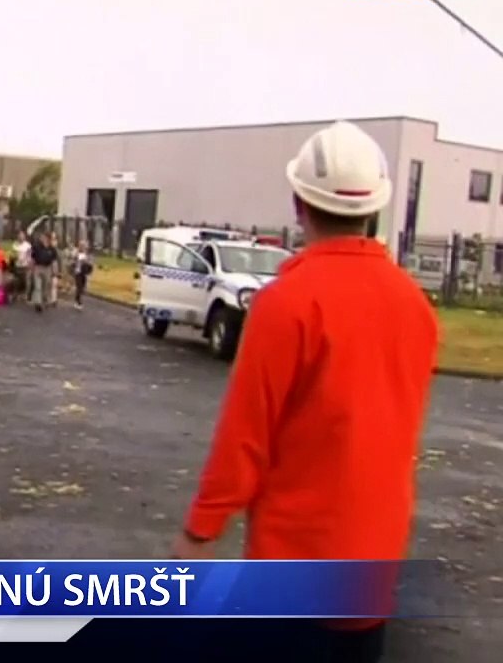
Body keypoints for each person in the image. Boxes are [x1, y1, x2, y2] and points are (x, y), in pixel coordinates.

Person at [171, 122, 438, 661]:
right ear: (374, 208)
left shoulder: (286, 304)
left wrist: (197, 539)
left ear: (299, 204)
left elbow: (245, 439)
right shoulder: (416, 308)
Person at [29, 232, 60, 312]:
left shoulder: (52, 249)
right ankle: (38, 303)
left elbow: (54, 261)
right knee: (37, 286)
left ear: (48, 239)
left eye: (44, 237)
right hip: (38, 267)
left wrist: (55, 271)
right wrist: (31, 268)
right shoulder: (36, 247)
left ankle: (43, 299)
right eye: (42, 237)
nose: (42, 239)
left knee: (45, 286)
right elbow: (32, 258)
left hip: (47, 269)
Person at [8, 230, 32, 303]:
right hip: (17, 265)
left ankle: (26, 296)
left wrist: (28, 261)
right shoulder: (15, 245)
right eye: (19, 235)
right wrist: (14, 257)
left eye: (22, 235)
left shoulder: (27, 245)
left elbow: (29, 255)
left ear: (24, 236)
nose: (21, 237)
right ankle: (15, 295)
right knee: (16, 281)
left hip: (25, 265)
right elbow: (12, 254)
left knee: (26, 281)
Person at [71, 242, 94, 309]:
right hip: (78, 272)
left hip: (84, 273)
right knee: (79, 287)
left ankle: (77, 300)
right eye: (83, 246)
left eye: (85, 246)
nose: (84, 247)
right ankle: (78, 302)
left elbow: (90, 263)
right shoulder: (77, 253)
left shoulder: (87, 254)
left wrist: (89, 263)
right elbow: (74, 260)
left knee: (82, 288)